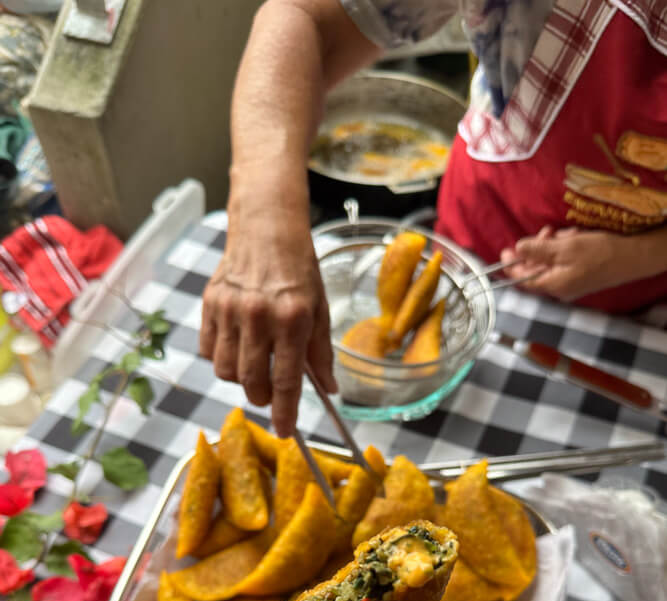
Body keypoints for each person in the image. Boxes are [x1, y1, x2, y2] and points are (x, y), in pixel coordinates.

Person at [200, 0, 667, 438]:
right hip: (479, 233)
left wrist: (639, 255)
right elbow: (304, 19)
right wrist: (264, 223)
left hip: (647, 310)